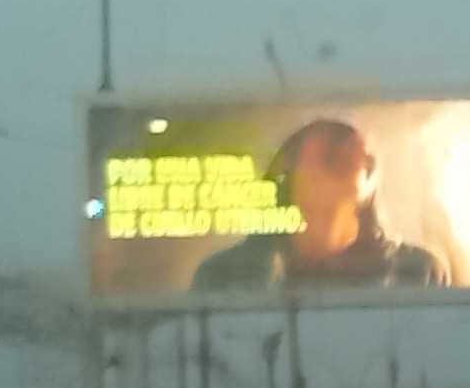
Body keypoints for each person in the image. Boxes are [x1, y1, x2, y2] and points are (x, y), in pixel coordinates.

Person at [192, 117, 447, 295]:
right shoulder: (223, 276)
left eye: (361, 159)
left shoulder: (417, 272)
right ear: (287, 175)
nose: (349, 162)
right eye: (329, 157)